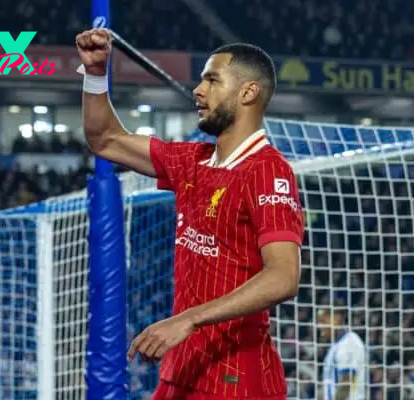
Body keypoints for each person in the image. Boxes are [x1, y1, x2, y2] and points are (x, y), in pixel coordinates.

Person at [76, 28, 305, 399]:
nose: (199, 90)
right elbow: (105, 139)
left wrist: (189, 319)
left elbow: (283, 276)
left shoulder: (268, 171)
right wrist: (96, 73)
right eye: (200, 80)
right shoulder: (192, 161)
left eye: (212, 80)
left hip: (236, 381)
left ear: (248, 92)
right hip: (182, 370)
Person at [318, 308, 367, 400]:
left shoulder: (349, 342)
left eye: (323, 321)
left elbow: (345, 385)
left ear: (336, 319)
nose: (320, 326)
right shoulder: (336, 346)